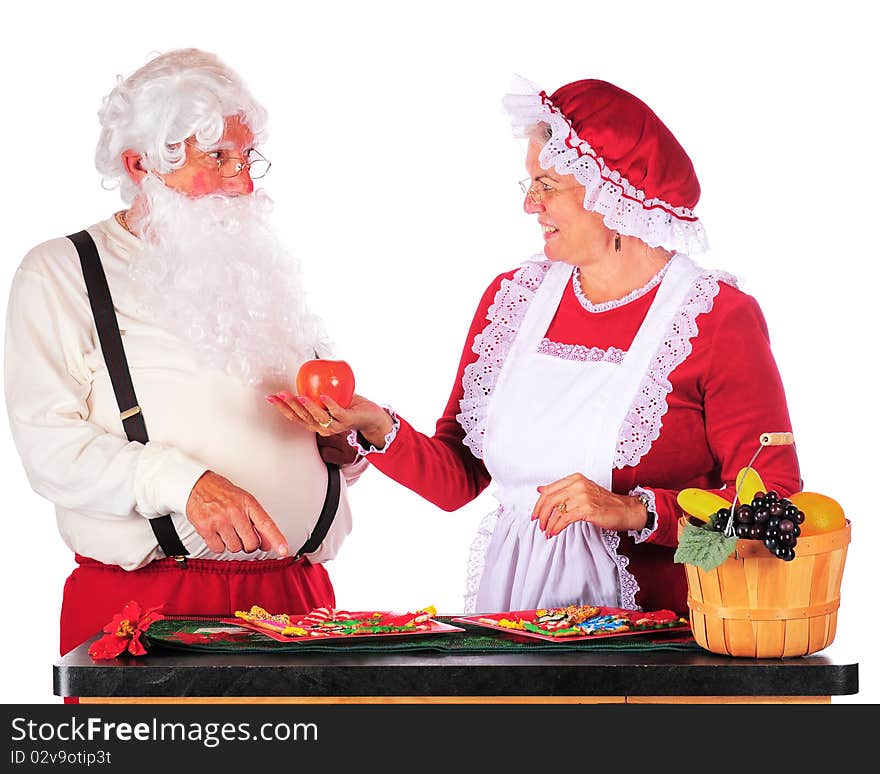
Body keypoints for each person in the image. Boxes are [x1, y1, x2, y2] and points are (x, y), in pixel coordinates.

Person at [267, 76, 801, 616]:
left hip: (663, 643)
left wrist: (633, 511)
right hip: (518, 624)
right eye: (529, 184)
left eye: (546, 184)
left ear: (609, 191)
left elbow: (772, 509)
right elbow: (459, 479)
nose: (530, 204)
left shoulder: (716, 318)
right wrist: (376, 425)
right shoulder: (514, 301)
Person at [4, 48, 365, 657]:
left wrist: (338, 448)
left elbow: (277, 432)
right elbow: (51, 451)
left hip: (300, 607)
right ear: (140, 163)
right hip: (154, 611)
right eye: (217, 157)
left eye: (247, 157)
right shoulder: (62, 272)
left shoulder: (259, 271)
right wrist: (184, 483)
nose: (244, 181)